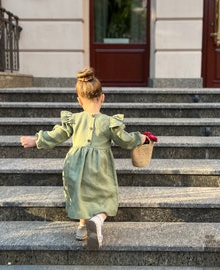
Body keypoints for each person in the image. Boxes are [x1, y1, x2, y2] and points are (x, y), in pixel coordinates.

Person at [20, 67, 147, 250]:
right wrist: (141, 138)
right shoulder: (109, 121)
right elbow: (125, 141)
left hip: (76, 164)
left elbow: (57, 134)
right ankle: (98, 219)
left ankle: (82, 227)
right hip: (100, 165)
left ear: (79, 101)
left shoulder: (74, 119)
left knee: (80, 193)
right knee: (107, 195)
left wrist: (36, 140)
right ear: (102, 97)